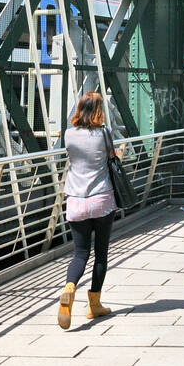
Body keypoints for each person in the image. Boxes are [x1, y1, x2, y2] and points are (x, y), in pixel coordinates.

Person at [58, 90, 116, 330]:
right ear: (100, 111)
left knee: (80, 254)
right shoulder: (104, 133)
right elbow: (111, 157)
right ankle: (94, 305)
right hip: (101, 199)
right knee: (100, 254)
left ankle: (69, 287)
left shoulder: (69, 134)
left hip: (76, 200)